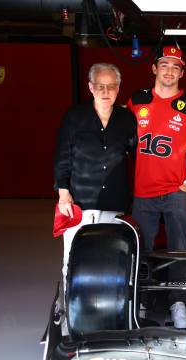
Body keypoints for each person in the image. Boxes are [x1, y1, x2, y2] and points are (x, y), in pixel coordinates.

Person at [128, 45, 186, 329]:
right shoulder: (136, 101)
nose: (169, 71)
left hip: (176, 192)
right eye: (164, 65)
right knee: (142, 248)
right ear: (154, 68)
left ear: (182, 72)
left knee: (179, 249)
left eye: (176, 67)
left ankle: (179, 302)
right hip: (142, 192)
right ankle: (140, 299)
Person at [54, 62, 136, 296]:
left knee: (113, 259)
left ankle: (111, 308)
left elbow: (138, 153)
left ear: (118, 88)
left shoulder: (126, 119)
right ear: (90, 87)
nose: (105, 91)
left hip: (115, 200)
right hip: (79, 201)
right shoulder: (74, 117)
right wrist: (63, 193)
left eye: (111, 86)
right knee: (74, 258)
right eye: (100, 86)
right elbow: (62, 156)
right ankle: (72, 310)